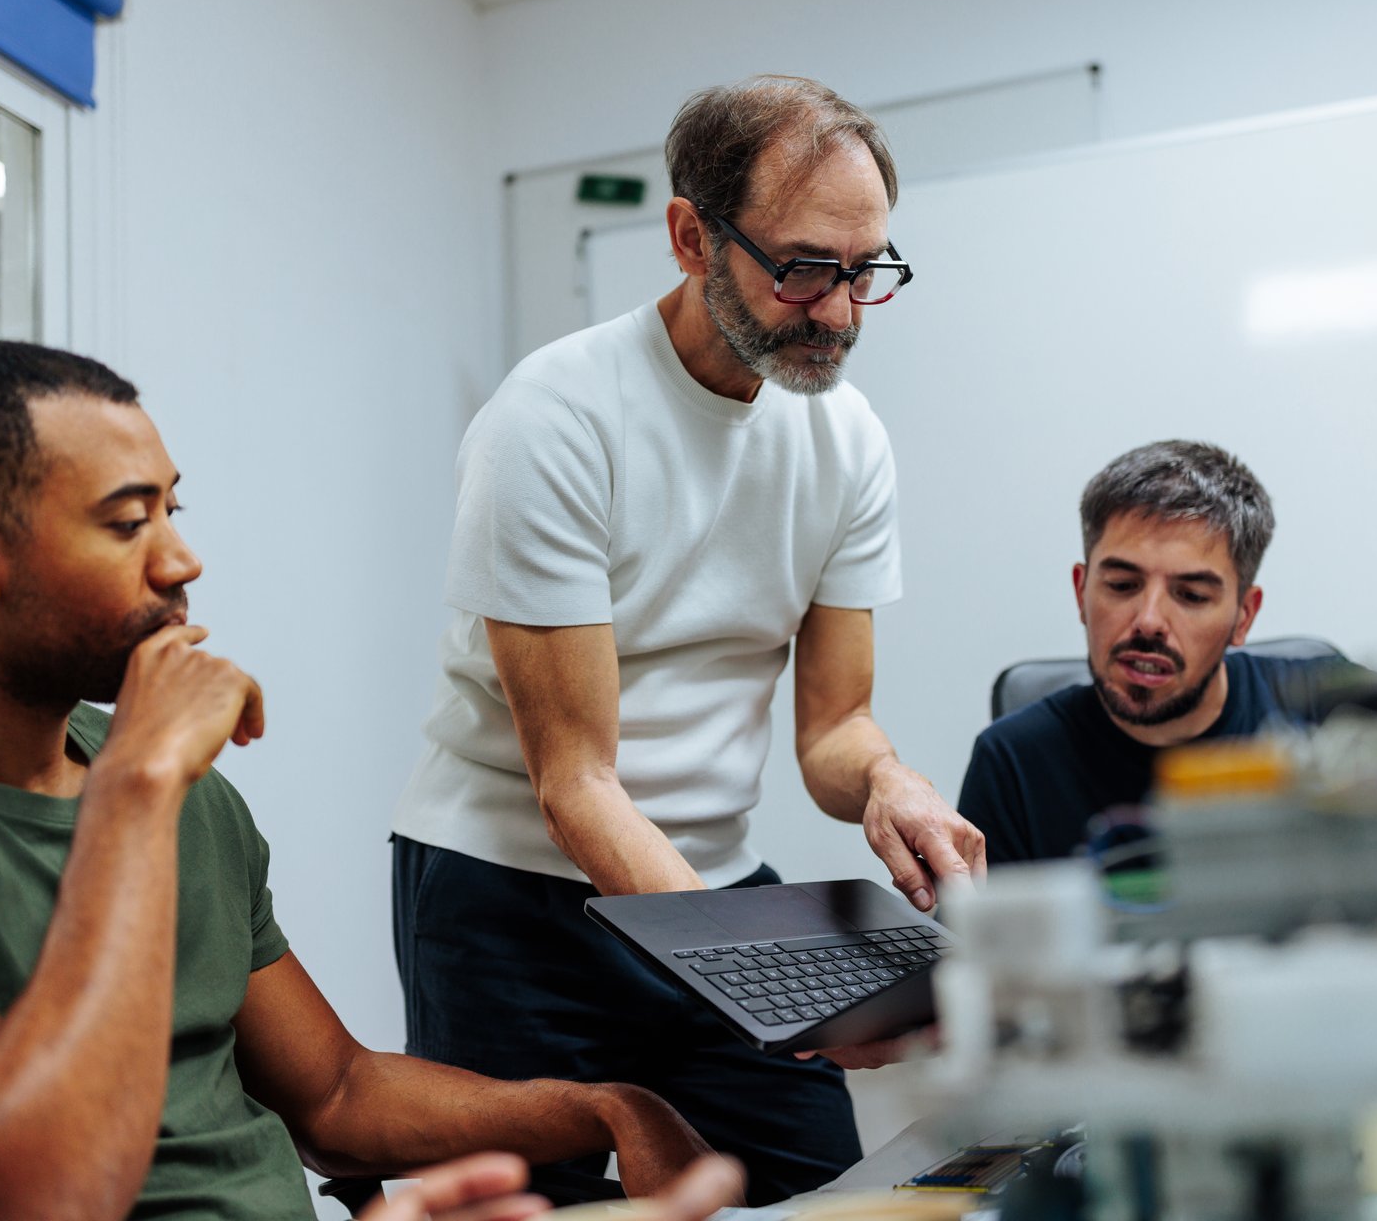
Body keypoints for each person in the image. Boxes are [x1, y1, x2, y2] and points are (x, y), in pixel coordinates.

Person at [0, 340, 740, 1221]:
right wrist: (136, 790)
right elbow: (30, 1195)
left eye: (174, 510)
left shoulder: (178, 786)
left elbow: (334, 1093)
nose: (180, 560)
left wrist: (610, 1110)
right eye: (127, 523)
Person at [390, 74, 985, 1202]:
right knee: (536, 1207)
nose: (843, 312)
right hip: (506, 891)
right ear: (687, 236)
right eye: (807, 267)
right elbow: (577, 780)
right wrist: (769, 975)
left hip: (705, 875)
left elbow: (835, 730)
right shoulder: (554, 418)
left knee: (828, 1190)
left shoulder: (847, 441)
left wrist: (889, 786)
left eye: (867, 272)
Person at [958, 440, 1365, 866]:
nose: (1149, 621)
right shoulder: (1012, 763)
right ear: (1081, 592)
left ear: (1243, 616)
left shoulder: (1339, 716)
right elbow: (977, 933)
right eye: (1122, 586)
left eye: (1190, 595)